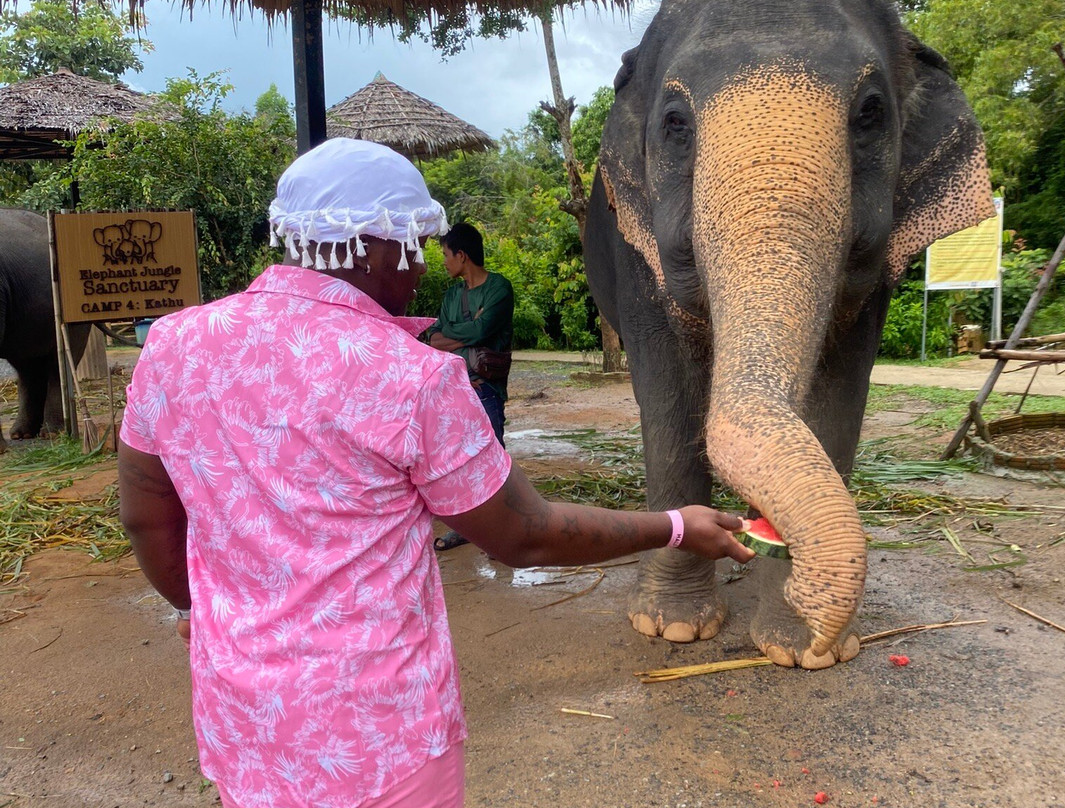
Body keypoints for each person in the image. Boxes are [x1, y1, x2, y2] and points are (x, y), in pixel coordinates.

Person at [117, 137, 754, 808]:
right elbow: (525, 535)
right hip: (377, 740)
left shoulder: (174, 345)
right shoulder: (410, 377)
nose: (423, 266)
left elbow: (146, 515)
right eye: (415, 243)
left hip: (243, 723)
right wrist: (677, 526)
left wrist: (199, 609)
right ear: (371, 247)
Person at [428, 222, 513, 551]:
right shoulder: (452, 294)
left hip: (486, 388)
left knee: (494, 460)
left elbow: (482, 332)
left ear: (462, 255)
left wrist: (455, 334)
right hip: (457, 389)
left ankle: (502, 534)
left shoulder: (499, 289)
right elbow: (434, 336)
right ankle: (469, 529)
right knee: (459, 463)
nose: (445, 262)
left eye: (447, 255)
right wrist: (467, 330)